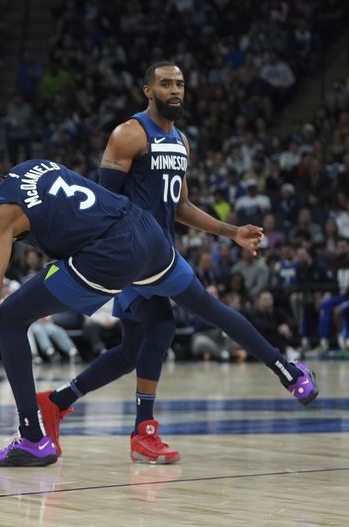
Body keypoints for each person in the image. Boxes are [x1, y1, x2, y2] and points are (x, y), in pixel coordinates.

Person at [0, 153, 317, 468]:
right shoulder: (32, 165)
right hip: (145, 231)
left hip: (108, 254)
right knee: (200, 312)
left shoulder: (2, 217)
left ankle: (33, 438)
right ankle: (290, 372)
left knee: (8, 317)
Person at [35, 62, 318, 464]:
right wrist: (111, 259)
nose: (175, 90)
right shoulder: (129, 134)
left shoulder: (181, 140)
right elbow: (102, 205)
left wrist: (231, 231)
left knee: (133, 349)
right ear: (147, 90)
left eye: (180, 83)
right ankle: (287, 372)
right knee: (203, 314)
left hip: (158, 251)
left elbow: (181, 205)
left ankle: (58, 402)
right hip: (133, 253)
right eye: (166, 83)